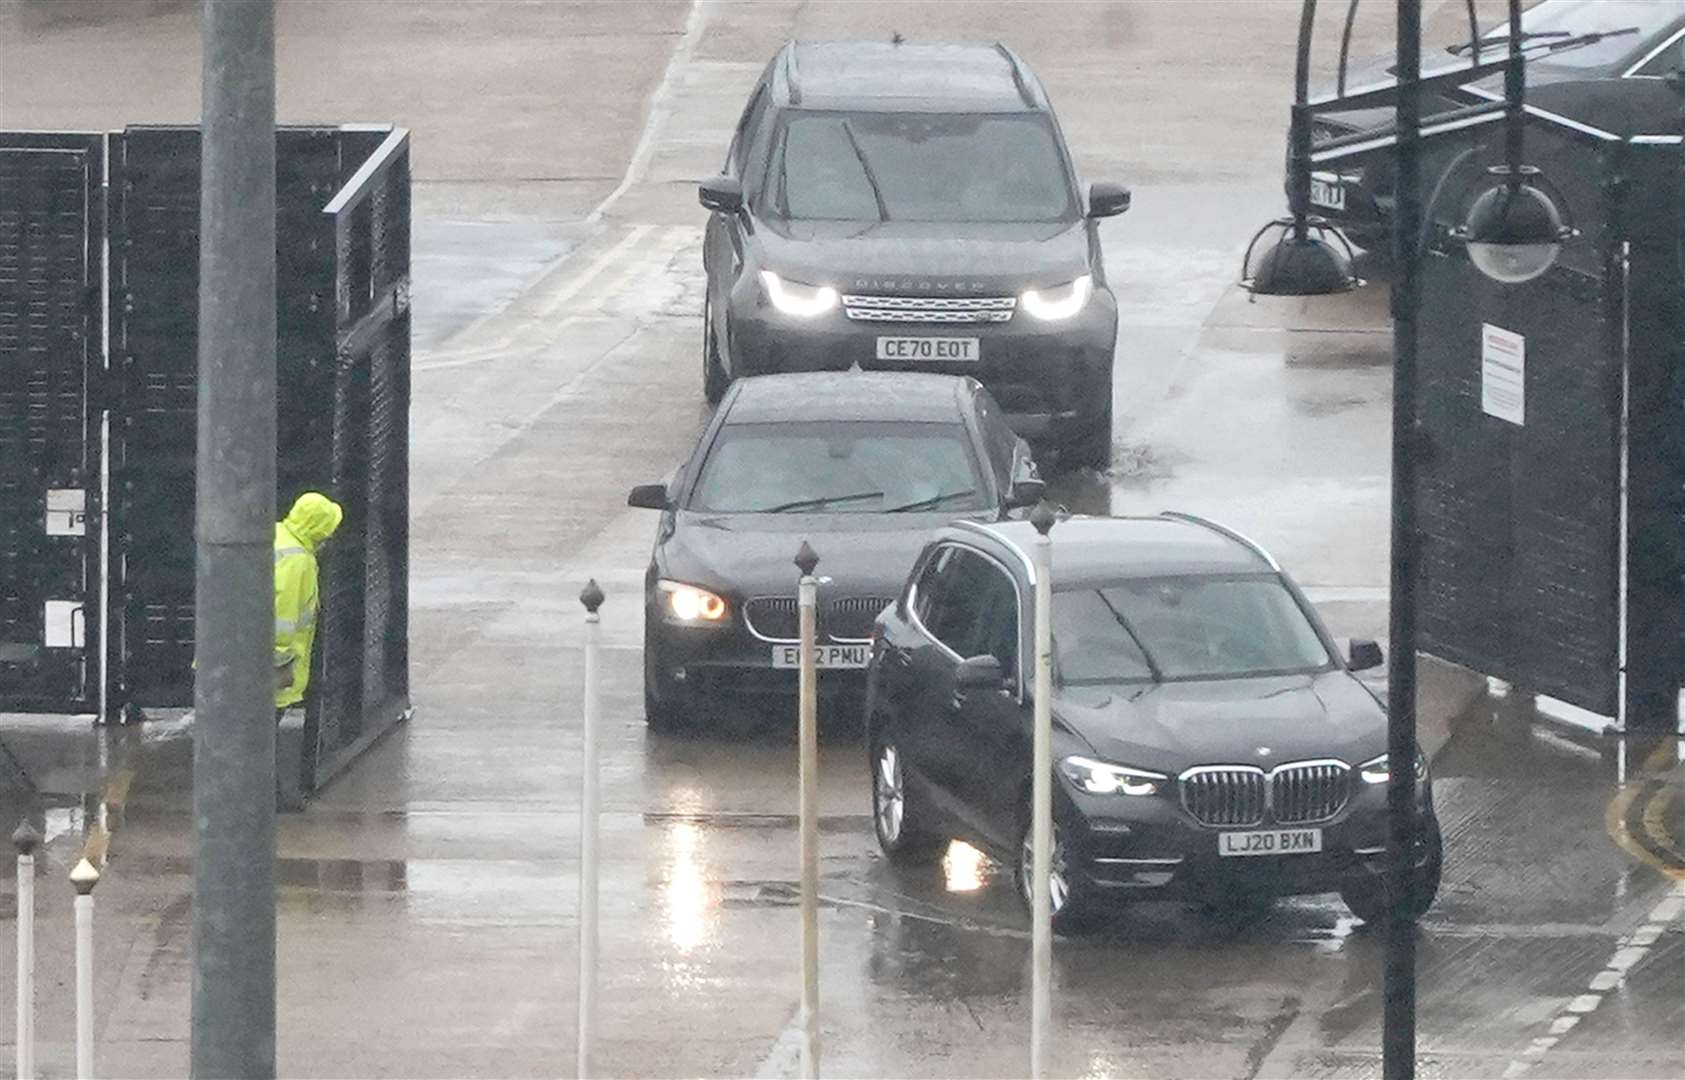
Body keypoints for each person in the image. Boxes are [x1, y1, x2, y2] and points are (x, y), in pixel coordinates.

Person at [274, 492, 343, 713]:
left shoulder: (276, 534)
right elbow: (281, 616)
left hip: (235, 662)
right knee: (255, 739)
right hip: (262, 673)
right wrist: (279, 664)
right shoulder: (298, 560)